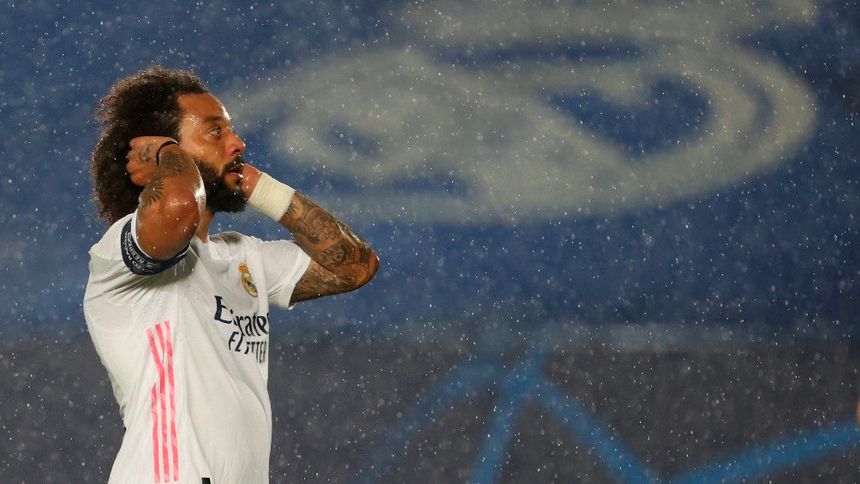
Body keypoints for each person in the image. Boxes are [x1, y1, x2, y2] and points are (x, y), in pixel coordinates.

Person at [83, 66, 379, 483]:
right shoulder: (120, 253)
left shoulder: (243, 257)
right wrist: (167, 152)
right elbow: (179, 207)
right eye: (215, 131)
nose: (237, 142)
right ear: (162, 151)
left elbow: (354, 266)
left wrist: (262, 188)